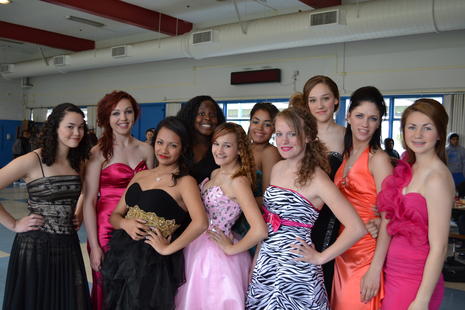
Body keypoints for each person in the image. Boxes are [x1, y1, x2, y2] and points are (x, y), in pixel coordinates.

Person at [246, 107, 366, 309]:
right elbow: (270, 222)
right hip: (267, 263)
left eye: (292, 134)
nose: (283, 141)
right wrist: (256, 262)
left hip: (297, 270)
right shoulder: (277, 169)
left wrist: (320, 258)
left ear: (308, 136)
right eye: (279, 134)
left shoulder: (318, 178)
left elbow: (357, 228)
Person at [101, 116, 208, 310]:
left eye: (172, 145)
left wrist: (168, 248)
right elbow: (115, 215)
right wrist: (126, 224)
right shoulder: (141, 175)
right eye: (160, 142)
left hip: (151, 261)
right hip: (121, 255)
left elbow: (201, 223)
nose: (164, 150)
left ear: (183, 148)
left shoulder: (185, 182)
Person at [0, 103, 91, 310]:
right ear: (55, 127)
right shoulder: (33, 160)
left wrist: (79, 212)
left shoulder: (78, 161)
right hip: (36, 246)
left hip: (68, 244)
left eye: (81, 127)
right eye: (70, 126)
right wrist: (14, 224)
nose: (77, 133)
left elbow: (86, 190)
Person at [176, 122, 268, 309]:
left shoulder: (238, 181)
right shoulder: (215, 172)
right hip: (196, 245)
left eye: (227, 145)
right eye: (216, 144)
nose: (219, 150)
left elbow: (259, 230)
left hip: (216, 254)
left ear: (239, 150)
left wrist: (231, 249)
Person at [377, 99, 454, 310]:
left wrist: (422, 300)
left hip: (416, 279)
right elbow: (396, 219)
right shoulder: (407, 169)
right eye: (412, 127)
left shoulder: (437, 178)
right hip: (392, 271)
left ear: (439, 133)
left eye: (427, 128)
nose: (417, 135)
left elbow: (440, 247)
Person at [83, 91, 154, 310]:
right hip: (106, 229)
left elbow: (153, 192)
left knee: (136, 286)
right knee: (106, 287)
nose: (123, 118)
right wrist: (94, 245)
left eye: (128, 111)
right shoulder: (97, 153)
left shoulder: (147, 149)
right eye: (115, 113)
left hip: (139, 226)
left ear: (135, 114)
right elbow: (88, 201)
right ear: (106, 118)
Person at [331, 86, 393, 310]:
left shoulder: (379, 159)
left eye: (372, 118)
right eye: (359, 116)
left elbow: (389, 217)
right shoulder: (346, 154)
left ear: (379, 123)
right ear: (348, 116)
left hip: (366, 254)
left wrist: (375, 269)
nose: (365, 124)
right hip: (342, 250)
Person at [294, 75, 346, 297]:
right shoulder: (300, 135)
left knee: (323, 277)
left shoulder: (347, 135)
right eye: (313, 100)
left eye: (325, 98)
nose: (319, 105)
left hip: (333, 216)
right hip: (301, 213)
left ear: (335, 100)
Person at [176, 95, 225, 184]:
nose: (207, 118)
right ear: (191, 116)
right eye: (202, 114)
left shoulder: (221, 147)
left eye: (212, 115)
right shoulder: (180, 144)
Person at [248, 102, 281, 199]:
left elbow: (267, 199)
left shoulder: (270, 153)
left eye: (267, 124)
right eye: (255, 122)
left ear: (274, 129)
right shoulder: (244, 147)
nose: (259, 128)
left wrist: (236, 203)